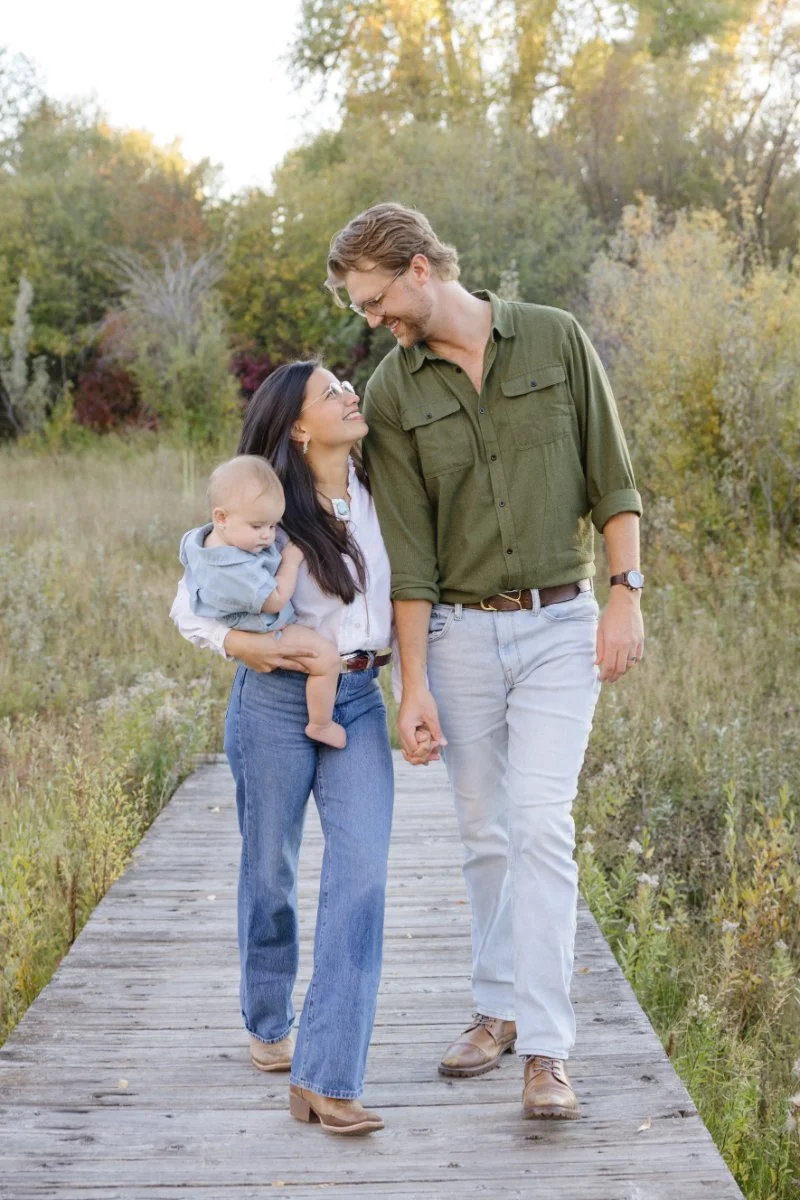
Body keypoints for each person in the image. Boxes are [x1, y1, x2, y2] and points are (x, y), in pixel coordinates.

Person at [325, 202, 645, 1121]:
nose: (374, 320)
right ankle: (496, 1009)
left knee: (541, 823)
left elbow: (612, 475)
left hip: (560, 627)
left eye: (379, 300)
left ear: (421, 269)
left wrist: (625, 591)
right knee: (484, 835)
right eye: (363, 309)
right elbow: (411, 558)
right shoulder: (390, 393)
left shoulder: (554, 338)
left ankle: (547, 1048)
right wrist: (412, 683)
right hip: (459, 637)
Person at [170, 361, 394, 1135]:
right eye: (332, 392)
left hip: (360, 698)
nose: (349, 395)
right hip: (273, 700)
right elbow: (189, 599)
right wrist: (242, 644)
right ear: (299, 427)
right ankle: (269, 1023)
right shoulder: (265, 508)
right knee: (271, 869)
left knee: (362, 873)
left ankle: (327, 1077)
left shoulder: (383, 485)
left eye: (346, 386)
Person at [180, 454, 347, 748]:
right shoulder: (236, 569)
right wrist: (291, 562)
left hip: (256, 626)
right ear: (221, 518)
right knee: (327, 659)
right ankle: (321, 723)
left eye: (272, 526)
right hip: (267, 629)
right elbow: (274, 600)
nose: (268, 536)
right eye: (258, 526)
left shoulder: (202, 541)